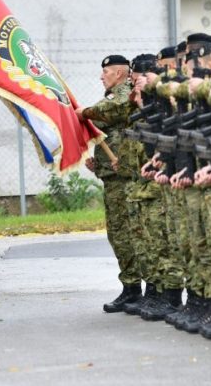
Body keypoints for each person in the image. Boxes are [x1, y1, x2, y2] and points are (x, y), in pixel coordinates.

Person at [75, 55, 142, 312]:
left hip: (126, 178)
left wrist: (83, 113)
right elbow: (103, 129)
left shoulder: (124, 94)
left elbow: (103, 114)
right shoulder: (111, 97)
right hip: (113, 176)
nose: (101, 77)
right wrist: (99, 163)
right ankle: (131, 288)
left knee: (128, 235)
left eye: (105, 72)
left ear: (119, 73)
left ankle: (138, 289)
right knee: (118, 235)